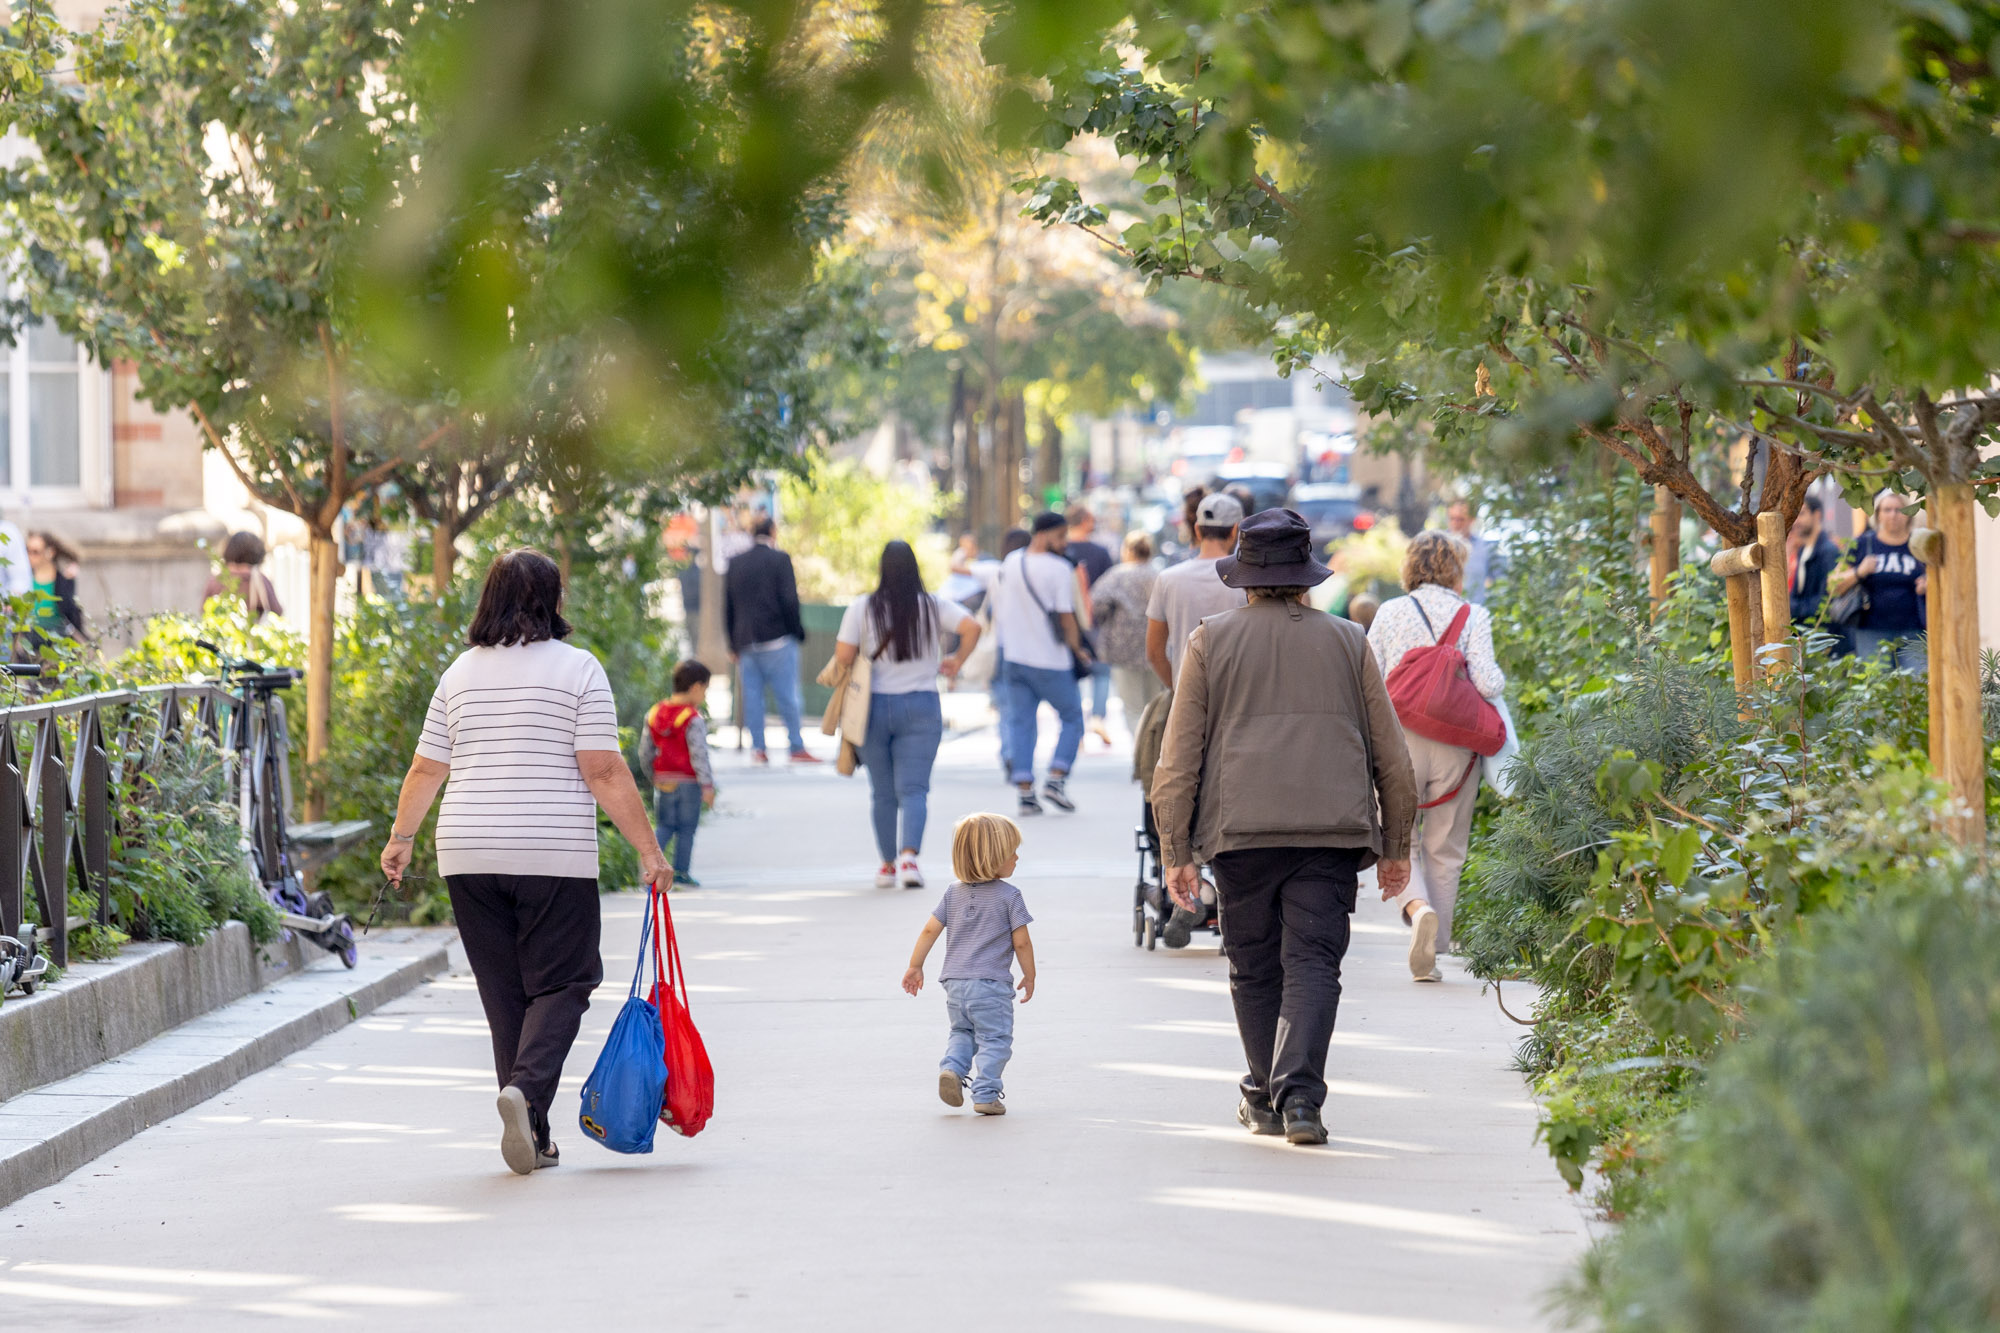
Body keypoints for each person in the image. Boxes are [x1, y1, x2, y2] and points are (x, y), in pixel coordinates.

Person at [380, 549, 670, 1176]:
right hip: (550, 850)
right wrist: (648, 850)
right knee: (566, 982)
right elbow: (604, 768)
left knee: (505, 995)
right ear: (552, 601)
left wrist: (401, 838)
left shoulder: (458, 674)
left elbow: (428, 767)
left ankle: (533, 1133)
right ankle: (526, 1095)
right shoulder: (578, 670)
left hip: (466, 850)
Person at [1151, 509, 1416, 1146]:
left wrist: (1175, 849)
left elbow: (1178, 755)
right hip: (1331, 831)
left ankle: (1266, 1094)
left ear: (1244, 580)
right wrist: (1397, 843)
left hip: (1240, 832)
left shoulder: (1210, 641)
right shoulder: (1350, 641)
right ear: (1307, 579)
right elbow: (1392, 755)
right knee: (1315, 962)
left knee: (1254, 965)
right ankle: (1300, 1100)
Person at [1367, 530, 1505, 981]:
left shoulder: (1389, 612)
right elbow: (1488, 685)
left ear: (1411, 566)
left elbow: (1366, 678)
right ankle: (1434, 948)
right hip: (1455, 743)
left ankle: (1417, 907)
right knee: (1445, 847)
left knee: (1398, 838)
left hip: (1398, 741)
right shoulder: (1473, 615)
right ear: (1456, 570)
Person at [832, 540, 981, 890]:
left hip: (872, 709)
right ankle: (910, 859)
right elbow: (972, 626)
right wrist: (956, 661)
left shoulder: (862, 608)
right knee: (915, 790)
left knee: (882, 792)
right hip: (921, 704)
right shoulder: (934, 606)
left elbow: (842, 656)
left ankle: (886, 866)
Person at [901, 812, 1036, 1117]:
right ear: (993, 857)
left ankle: (951, 1068)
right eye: (1011, 852)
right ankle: (986, 1093)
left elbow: (929, 930)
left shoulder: (952, 893)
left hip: (955, 985)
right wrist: (1029, 974)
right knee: (995, 1038)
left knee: (962, 1032)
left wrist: (915, 966)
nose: (1016, 857)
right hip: (990, 986)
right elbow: (1022, 942)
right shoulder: (1010, 896)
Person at [992, 511, 1091, 817]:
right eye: (1060, 537)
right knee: (1073, 717)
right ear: (1044, 534)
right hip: (1050, 660)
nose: (1064, 543)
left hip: (1015, 658)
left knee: (1021, 722)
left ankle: (1025, 792)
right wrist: (1078, 650)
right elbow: (1066, 616)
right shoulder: (1059, 569)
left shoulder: (1011, 562)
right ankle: (1056, 778)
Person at [724, 516, 817, 763]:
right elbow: (789, 600)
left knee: (753, 697)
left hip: (745, 641)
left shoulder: (735, 563)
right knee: (788, 695)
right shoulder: (780, 559)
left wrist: (732, 643)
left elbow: (728, 606)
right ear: (773, 532)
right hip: (778, 639)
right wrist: (797, 631)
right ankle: (796, 747)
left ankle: (759, 749)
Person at [1146, 492, 1246, 689]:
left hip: (1189, 698)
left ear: (1197, 530)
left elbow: (1154, 652)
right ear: (1236, 531)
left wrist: (1178, 689)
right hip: (1238, 698)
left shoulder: (1168, 579)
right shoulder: (1249, 580)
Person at [640, 660, 717, 889]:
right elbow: (699, 754)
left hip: (663, 781)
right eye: (705, 690)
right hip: (689, 782)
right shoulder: (692, 718)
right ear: (695, 687)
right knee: (686, 828)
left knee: (664, 826)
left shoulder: (654, 713)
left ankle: (650, 872)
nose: (704, 695)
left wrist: (652, 774)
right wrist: (707, 786)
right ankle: (681, 872)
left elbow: (645, 751)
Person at [1830, 491, 1927, 673]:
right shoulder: (1863, 543)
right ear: (1878, 514)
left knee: (1917, 686)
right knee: (1876, 685)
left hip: (1913, 630)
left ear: (1908, 514)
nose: (1893, 515)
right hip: (1871, 631)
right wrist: (1859, 572)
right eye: (1887, 510)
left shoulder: (1919, 544)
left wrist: (1928, 585)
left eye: (1899, 510)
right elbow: (1833, 584)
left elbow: (1937, 576)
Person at [1090, 531, 1162, 735]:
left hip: (1123, 648)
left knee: (1133, 708)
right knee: (1155, 705)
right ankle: (1155, 753)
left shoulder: (1117, 575)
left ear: (1128, 550)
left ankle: (1141, 753)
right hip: (1158, 645)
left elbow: (1097, 602)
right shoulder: (1159, 574)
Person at [1064, 505, 1117, 745]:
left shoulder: (1061, 550)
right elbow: (1110, 587)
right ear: (1084, 521)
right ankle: (1097, 717)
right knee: (1102, 671)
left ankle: (1077, 727)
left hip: (1067, 621)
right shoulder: (1100, 552)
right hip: (1096, 621)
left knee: (1071, 674)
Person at [1786, 496, 1849, 655]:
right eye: (1795, 514)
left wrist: (1792, 608)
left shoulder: (1829, 551)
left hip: (1826, 639)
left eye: (1802, 514)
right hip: (1808, 634)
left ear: (1817, 515)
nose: (1796, 520)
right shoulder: (1802, 550)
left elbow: (1827, 600)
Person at [202, 531, 285, 623]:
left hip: (220, 634)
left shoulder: (216, 580)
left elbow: (204, 610)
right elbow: (277, 612)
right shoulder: (259, 579)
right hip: (251, 635)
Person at [24, 531, 84, 642]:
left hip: (57, 642)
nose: (29, 556)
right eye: (27, 550)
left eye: (35, 552)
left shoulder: (64, 580)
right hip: (28, 642)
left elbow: (71, 613)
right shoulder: (24, 579)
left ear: (50, 552)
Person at [1447, 500, 1506, 605]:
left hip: (1475, 614)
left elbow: (1501, 581)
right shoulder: (1437, 546)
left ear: (1471, 520)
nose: (1455, 524)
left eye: (1460, 519)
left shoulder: (1484, 548)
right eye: (1452, 519)